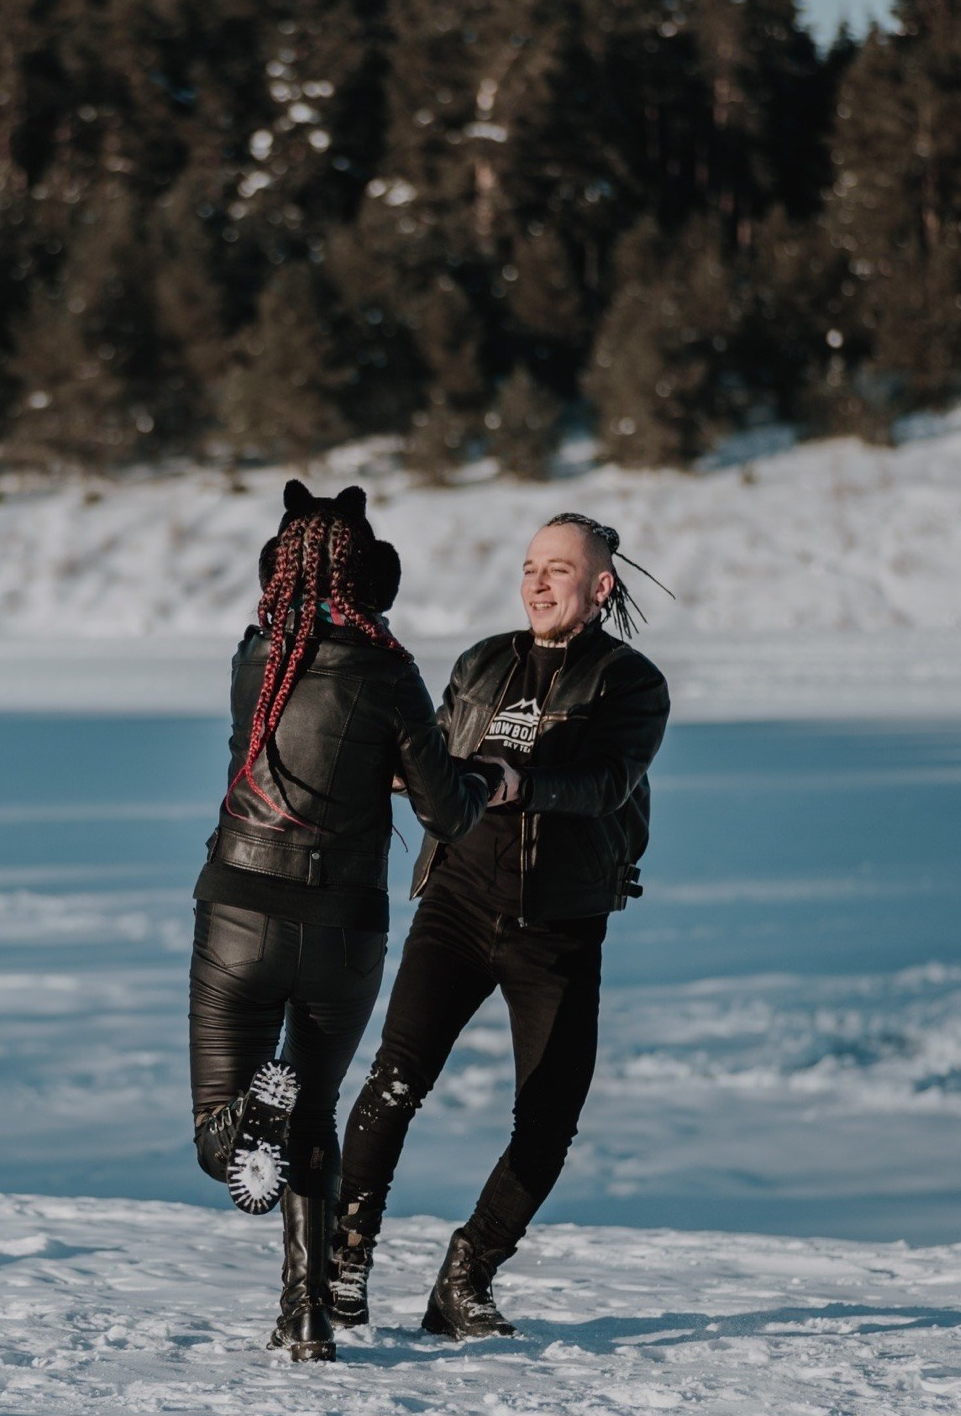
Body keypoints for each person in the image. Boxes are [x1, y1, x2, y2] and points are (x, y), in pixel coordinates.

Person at [329, 513, 671, 1339]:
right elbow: (432, 759)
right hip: (457, 903)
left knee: (549, 1122)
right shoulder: (483, 662)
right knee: (394, 1084)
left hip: (558, 926)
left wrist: (522, 779)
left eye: (559, 568)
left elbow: (605, 783)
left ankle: (467, 1273)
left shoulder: (631, 684)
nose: (539, 581)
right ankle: (343, 1263)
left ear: (601, 586)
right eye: (529, 566)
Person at [188, 479, 492, 1363]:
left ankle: (248, 1118)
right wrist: (482, 781)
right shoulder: (390, 669)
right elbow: (445, 809)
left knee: (222, 1135)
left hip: (239, 911)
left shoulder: (256, 656)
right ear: (374, 579)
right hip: (345, 928)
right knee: (314, 1112)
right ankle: (306, 1314)